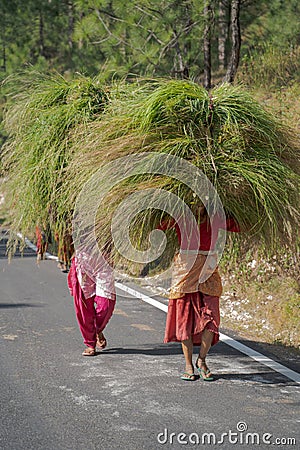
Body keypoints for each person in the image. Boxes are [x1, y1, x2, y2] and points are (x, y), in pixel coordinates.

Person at [158, 203, 240, 381]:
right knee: (184, 320)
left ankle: (201, 360)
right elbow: (158, 224)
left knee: (211, 317)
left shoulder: (216, 218)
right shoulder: (181, 217)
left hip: (208, 271)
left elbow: (241, 226)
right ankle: (188, 365)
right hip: (185, 272)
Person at [67, 250, 116, 356]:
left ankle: (97, 329)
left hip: (104, 260)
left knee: (106, 304)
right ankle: (90, 343)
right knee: (84, 307)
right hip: (82, 261)